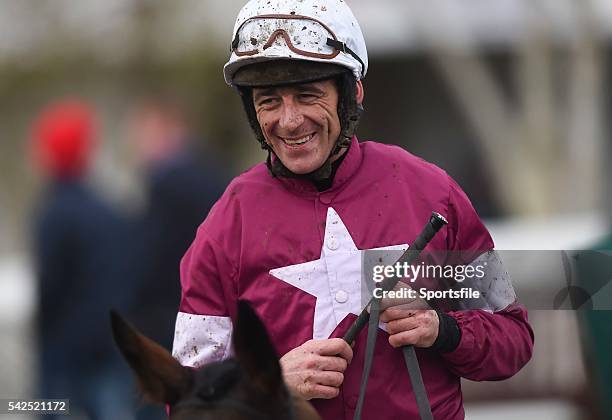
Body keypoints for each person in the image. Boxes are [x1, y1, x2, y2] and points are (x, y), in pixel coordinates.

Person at [171, 1, 534, 419]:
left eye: (308, 95)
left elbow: (514, 337)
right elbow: (184, 398)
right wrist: (265, 383)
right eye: (269, 101)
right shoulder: (225, 223)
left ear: (353, 93)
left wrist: (443, 330)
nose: (289, 122)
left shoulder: (433, 193)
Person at [30, 100, 133, 419]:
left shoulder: (53, 213)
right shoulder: (110, 210)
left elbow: (50, 289)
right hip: (110, 345)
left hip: (64, 355)